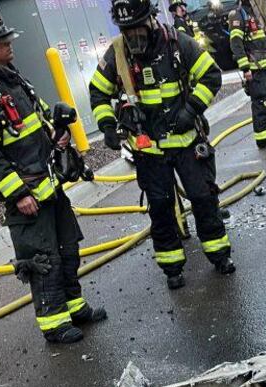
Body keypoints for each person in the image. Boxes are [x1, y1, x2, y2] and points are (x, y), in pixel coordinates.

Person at [0, 3, 106, 344]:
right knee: (43, 260)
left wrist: (57, 134)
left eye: (6, 38)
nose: (9, 44)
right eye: (0, 41)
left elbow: (32, 125)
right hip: (27, 195)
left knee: (67, 248)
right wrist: (18, 193)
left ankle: (74, 307)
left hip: (47, 185)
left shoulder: (10, 77)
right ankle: (54, 324)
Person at [89, 0, 234, 288]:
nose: (133, 36)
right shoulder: (118, 53)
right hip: (148, 150)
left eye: (137, 28)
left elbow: (211, 75)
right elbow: (98, 91)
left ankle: (219, 254)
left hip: (186, 142)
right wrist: (107, 125)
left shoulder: (178, 43)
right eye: (126, 30)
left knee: (203, 197)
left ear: (151, 20)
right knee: (160, 206)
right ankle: (172, 268)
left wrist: (191, 109)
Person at [229, 0, 266, 147]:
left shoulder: (260, 13)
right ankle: (262, 137)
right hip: (254, 68)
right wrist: (245, 68)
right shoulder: (238, 15)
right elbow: (236, 43)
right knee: (261, 101)